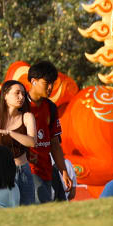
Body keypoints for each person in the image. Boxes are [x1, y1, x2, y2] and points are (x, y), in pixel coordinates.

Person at [0, 80, 38, 204]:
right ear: (5, 95)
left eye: (23, 94)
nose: (21, 97)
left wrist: (9, 133)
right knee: (2, 210)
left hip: (22, 171)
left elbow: (32, 142)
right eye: (17, 93)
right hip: (0, 173)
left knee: (27, 210)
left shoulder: (27, 117)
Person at [25, 61, 73, 203]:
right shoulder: (21, 106)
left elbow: (54, 144)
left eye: (53, 83)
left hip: (47, 169)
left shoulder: (51, 107)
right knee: (44, 206)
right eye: (47, 83)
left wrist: (63, 170)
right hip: (28, 170)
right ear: (33, 81)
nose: (51, 87)